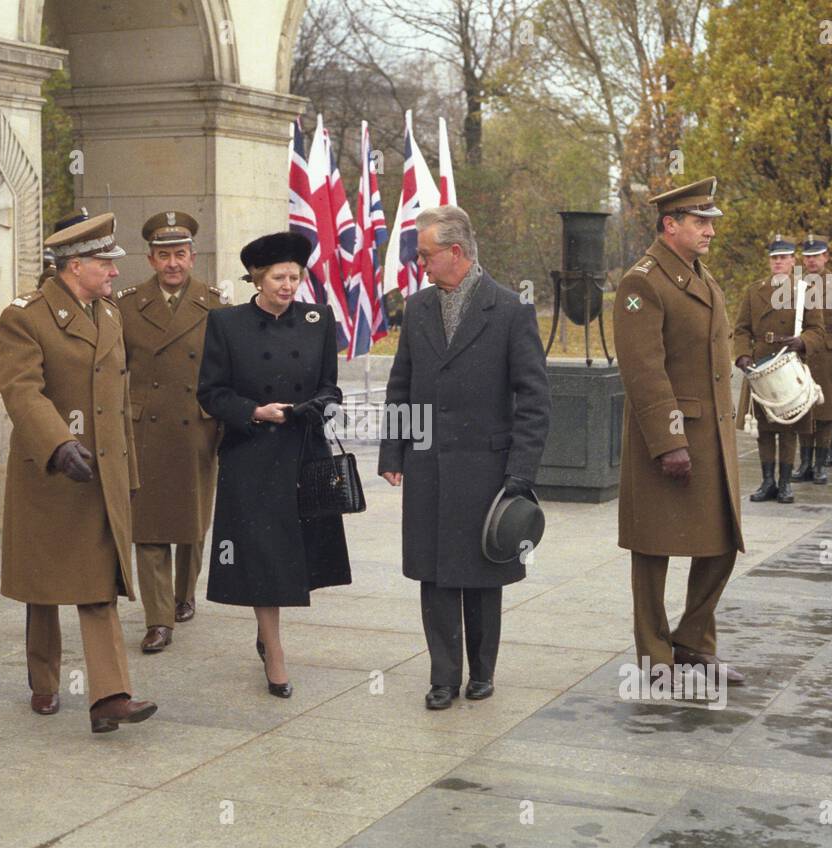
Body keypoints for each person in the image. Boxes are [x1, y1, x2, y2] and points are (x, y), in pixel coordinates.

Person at [378, 205, 550, 710]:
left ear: (456, 253)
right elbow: (401, 385)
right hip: (429, 465)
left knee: (481, 576)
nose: (421, 264)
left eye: (427, 255)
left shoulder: (510, 309)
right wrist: (394, 449)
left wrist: (520, 472)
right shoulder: (418, 308)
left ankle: (482, 671)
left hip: (487, 470)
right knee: (434, 575)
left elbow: (534, 399)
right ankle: (442, 676)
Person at [0, 212, 157, 734]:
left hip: (101, 476)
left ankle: (110, 696)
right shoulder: (25, 317)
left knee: (97, 585)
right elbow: (22, 390)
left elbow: (119, 399)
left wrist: (127, 470)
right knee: (43, 587)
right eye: (104, 263)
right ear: (74, 266)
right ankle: (44, 681)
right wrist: (59, 445)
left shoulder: (108, 314)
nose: (114, 272)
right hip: (50, 473)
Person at [197, 231, 351, 699]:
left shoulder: (318, 319)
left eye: (295, 277)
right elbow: (211, 393)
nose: (289, 285)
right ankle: (276, 652)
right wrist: (253, 412)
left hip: (304, 453)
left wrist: (313, 408)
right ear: (257, 279)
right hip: (252, 456)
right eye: (279, 277)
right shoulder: (226, 324)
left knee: (292, 556)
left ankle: (267, 638)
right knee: (262, 557)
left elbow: (331, 388)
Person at [613, 177, 745, 687]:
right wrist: (669, 441)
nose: (710, 230)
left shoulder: (699, 275)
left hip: (712, 439)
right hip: (669, 439)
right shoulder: (643, 281)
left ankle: (692, 643)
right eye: (700, 221)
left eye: (711, 221)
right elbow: (644, 370)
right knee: (653, 549)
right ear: (671, 226)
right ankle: (654, 656)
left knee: (721, 542)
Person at [117, 211, 227, 653]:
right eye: (164, 256)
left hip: (196, 426)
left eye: (180, 254)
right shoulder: (125, 305)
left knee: (192, 523)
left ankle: (184, 594)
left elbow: (227, 371)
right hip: (146, 428)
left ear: (192, 256)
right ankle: (158, 617)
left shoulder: (215, 305)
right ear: (150, 259)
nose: (172, 264)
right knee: (150, 526)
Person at [733, 234, 825, 503]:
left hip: (789, 363)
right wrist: (742, 355)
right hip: (761, 364)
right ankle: (767, 482)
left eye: (783, 258)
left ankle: (785, 484)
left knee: (788, 428)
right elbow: (741, 329)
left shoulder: (804, 291)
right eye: (774, 258)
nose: (778, 263)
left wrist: (802, 342)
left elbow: (817, 331)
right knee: (764, 429)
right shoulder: (754, 291)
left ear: (792, 260)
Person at [796, 236, 832, 484]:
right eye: (807, 256)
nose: (811, 261)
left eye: (816, 256)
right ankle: (805, 463)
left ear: (826, 257)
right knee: (802, 410)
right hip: (803, 355)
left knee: (826, 413)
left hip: (829, 356)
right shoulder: (796, 284)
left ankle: (820, 465)